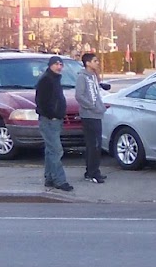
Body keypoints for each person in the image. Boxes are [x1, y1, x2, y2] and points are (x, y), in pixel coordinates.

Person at [35, 55, 73, 193]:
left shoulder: (55, 79)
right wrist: (52, 115)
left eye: (61, 64)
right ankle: (60, 180)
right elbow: (42, 102)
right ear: (50, 65)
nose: (59, 66)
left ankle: (50, 178)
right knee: (57, 150)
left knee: (50, 151)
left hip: (56, 120)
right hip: (49, 120)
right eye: (56, 64)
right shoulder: (46, 80)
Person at [75, 52, 108, 183]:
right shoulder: (82, 77)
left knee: (97, 144)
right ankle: (92, 172)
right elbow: (79, 96)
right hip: (89, 115)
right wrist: (92, 106)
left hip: (97, 114)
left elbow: (97, 91)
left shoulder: (93, 76)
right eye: (94, 61)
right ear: (87, 63)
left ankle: (94, 170)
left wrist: (100, 106)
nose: (97, 63)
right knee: (93, 144)